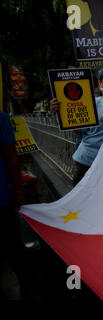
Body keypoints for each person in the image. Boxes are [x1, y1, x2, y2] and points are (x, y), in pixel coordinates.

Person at [50, 66, 103, 186]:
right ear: (100, 83)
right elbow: (78, 130)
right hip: (86, 161)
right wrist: (60, 112)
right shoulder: (89, 103)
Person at [0, 110, 31, 299]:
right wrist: (19, 190)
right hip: (3, 198)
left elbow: (11, 157)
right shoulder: (2, 118)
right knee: (13, 247)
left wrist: (18, 190)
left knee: (13, 247)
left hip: (2, 197)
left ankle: (28, 288)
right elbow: (11, 156)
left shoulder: (2, 119)